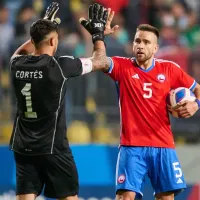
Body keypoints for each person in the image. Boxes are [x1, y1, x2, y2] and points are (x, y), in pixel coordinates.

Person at [80, 23, 200, 200]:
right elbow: (100, 61)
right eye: (137, 41)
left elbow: (197, 89)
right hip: (131, 147)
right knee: (125, 197)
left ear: (155, 47)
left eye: (146, 42)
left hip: (163, 146)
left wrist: (196, 104)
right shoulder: (122, 66)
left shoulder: (169, 69)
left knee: (166, 198)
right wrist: (99, 37)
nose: (141, 45)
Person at [9, 2, 114, 200]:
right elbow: (101, 61)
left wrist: (44, 25)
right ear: (52, 42)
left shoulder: (16, 64)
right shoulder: (59, 65)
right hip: (53, 148)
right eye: (55, 39)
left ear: (33, 40)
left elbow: (19, 52)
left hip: (23, 147)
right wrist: (98, 35)